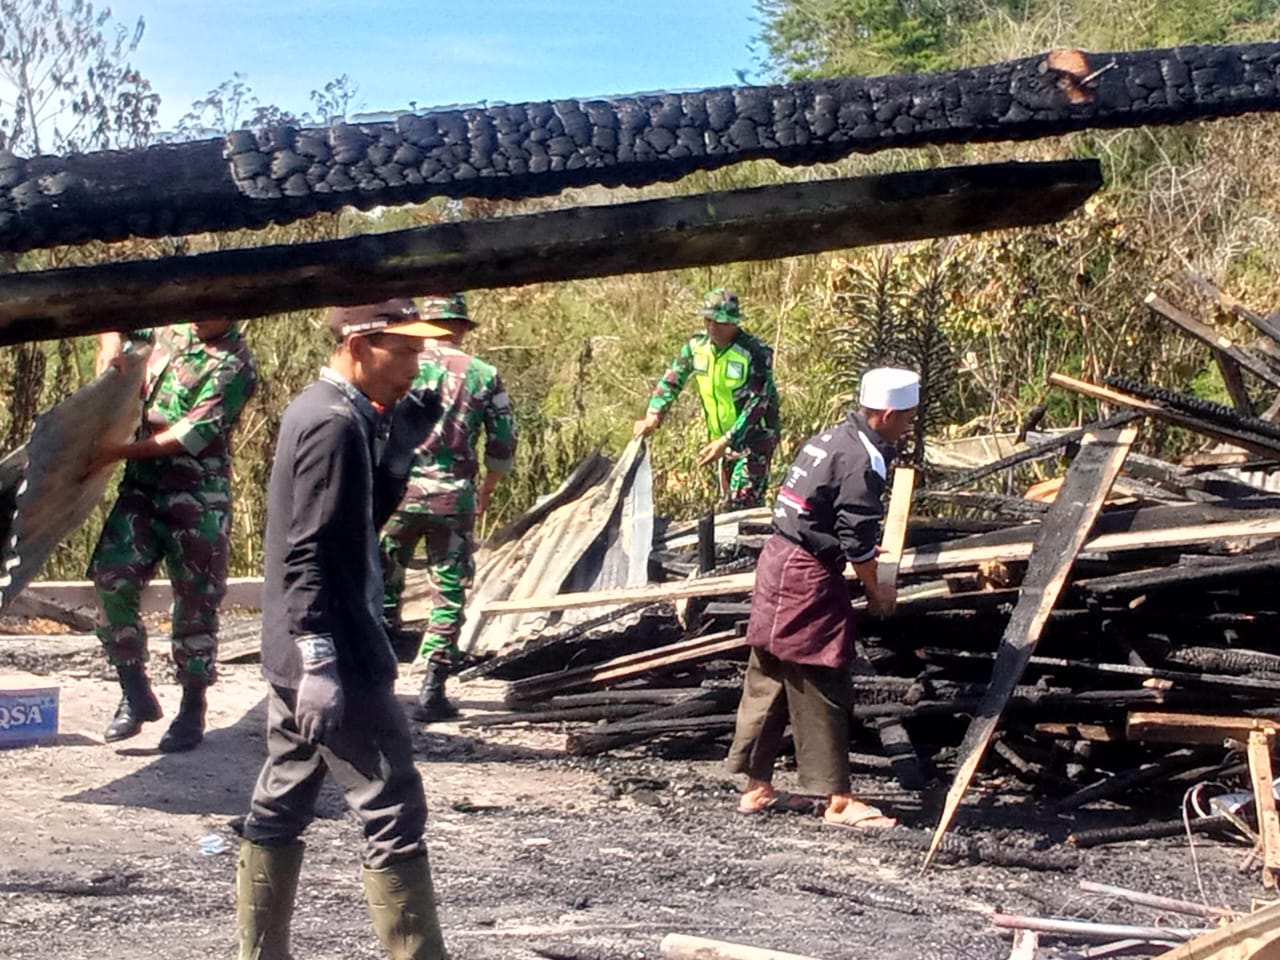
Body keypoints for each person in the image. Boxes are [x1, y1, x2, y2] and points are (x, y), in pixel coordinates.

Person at [235, 298, 449, 960]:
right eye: (404, 350)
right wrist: (320, 658)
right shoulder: (330, 423)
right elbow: (306, 551)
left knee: (283, 796)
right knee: (393, 809)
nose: (417, 364)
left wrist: (398, 453)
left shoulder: (340, 414)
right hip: (333, 649)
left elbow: (351, 523)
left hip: (299, 647)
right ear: (358, 345)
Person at [725, 367, 919, 829]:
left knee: (770, 672)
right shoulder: (861, 460)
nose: (908, 427)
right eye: (907, 419)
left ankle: (755, 786)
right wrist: (878, 592)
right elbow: (858, 543)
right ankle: (838, 800)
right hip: (807, 573)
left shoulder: (828, 439)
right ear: (887, 414)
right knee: (822, 679)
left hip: (777, 559)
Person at [88, 319, 258, 752]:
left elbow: (191, 435)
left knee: (196, 604)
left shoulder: (236, 365)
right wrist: (109, 346)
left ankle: (191, 706)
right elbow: (114, 319)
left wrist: (115, 452)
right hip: (142, 490)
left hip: (197, 497)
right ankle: (134, 689)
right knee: (112, 577)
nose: (200, 313)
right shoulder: (171, 329)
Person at [379, 293, 516, 724]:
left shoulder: (399, 365)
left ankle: (378, 685)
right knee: (450, 588)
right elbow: (503, 441)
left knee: (382, 583)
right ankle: (432, 687)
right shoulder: (482, 374)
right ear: (460, 327)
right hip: (452, 495)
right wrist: (487, 490)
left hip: (397, 493)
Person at [633, 288, 780, 510]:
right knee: (725, 506)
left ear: (734, 323)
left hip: (754, 439)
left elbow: (758, 403)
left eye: (720, 322)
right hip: (720, 441)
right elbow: (672, 380)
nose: (712, 327)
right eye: (708, 320)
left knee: (743, 506)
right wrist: (653, 415)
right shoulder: (696, 348)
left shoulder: (754, 353)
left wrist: (727, 440)